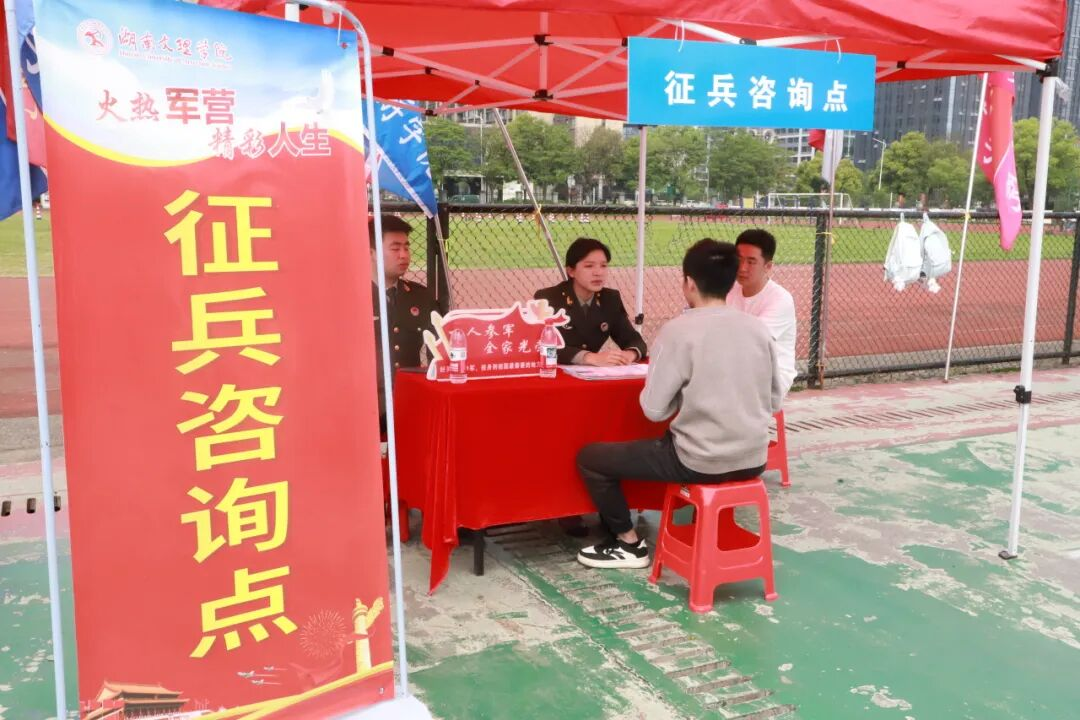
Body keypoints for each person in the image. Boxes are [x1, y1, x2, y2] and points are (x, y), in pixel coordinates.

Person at [575, 239, 783, 569]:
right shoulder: (758, 329)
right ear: (731, 281)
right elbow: (775, 400)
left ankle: (627, 543)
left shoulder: (678, 331)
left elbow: (654, 410)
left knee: (592, 459)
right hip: (754, 459)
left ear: (689, 282)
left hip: (698, 459)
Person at [534, 237, 647, 366]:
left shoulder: (610, 299)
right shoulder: (548, 298)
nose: (598, 273)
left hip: (592, 373)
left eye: (603, 266)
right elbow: (541, 346)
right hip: (552, 372)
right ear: (571, 271)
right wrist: (587, 357)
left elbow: (635, 341)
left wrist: (629, 355)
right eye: (589, 266)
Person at [370, 214, 437, 433]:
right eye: (395, 248)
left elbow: (438, 351)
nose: (404, 255)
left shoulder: (420, 296)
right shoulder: (350, 297)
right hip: (367, 407)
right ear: (371, 253)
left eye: (406, 247)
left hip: (410, 401)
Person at [727, 229, 797, 396]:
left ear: (768, 266)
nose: (742, 268)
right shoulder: (728, 288)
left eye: (751, 262)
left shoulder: (780, 299)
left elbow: (752, 343)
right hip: (736, 365)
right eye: (739, 259)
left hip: (771, 377)